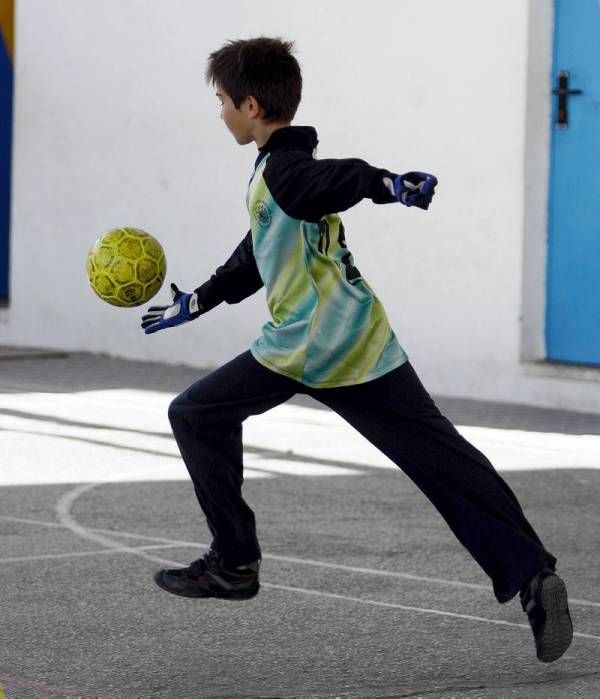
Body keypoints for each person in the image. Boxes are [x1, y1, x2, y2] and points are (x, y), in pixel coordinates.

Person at [141, 37, 573, 663]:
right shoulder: (276, 171)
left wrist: (384, 184)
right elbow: (260, 246)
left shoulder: (289, 171)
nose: (220, 113)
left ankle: (234, 562)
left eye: (222, 102)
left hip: (305, 344)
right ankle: (533, 576)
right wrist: (201, 298)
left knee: (194, 414)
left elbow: (332, 180)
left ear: (252, 104)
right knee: (446, 462)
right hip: (362, 340)